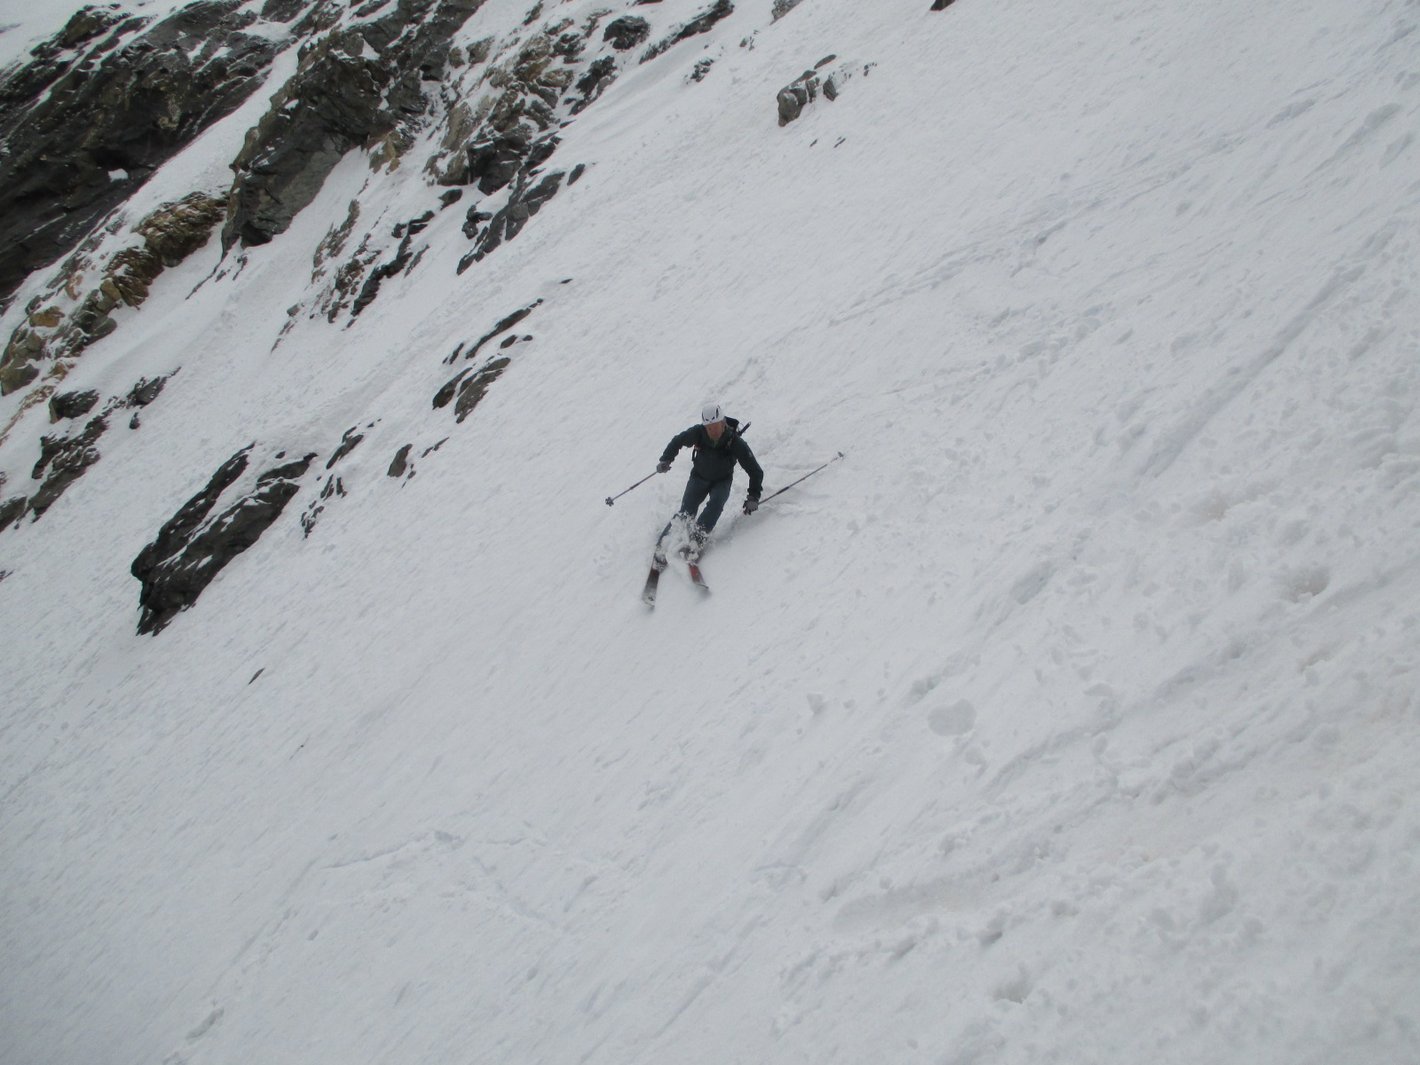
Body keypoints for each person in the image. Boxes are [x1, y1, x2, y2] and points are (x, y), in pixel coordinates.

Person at [656, 402, 764, 558]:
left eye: (715, 426)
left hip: (722, 481)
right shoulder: (698, 433)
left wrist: (754, 496)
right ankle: (666, 543)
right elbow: (677, 441)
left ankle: (696, 540)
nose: (712, 430)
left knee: (716, 504)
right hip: (699, 477)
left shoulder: (735, 442)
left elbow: (755, 471)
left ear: (722, 423)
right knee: (687, 510)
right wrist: (666, 459)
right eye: (708, 427)